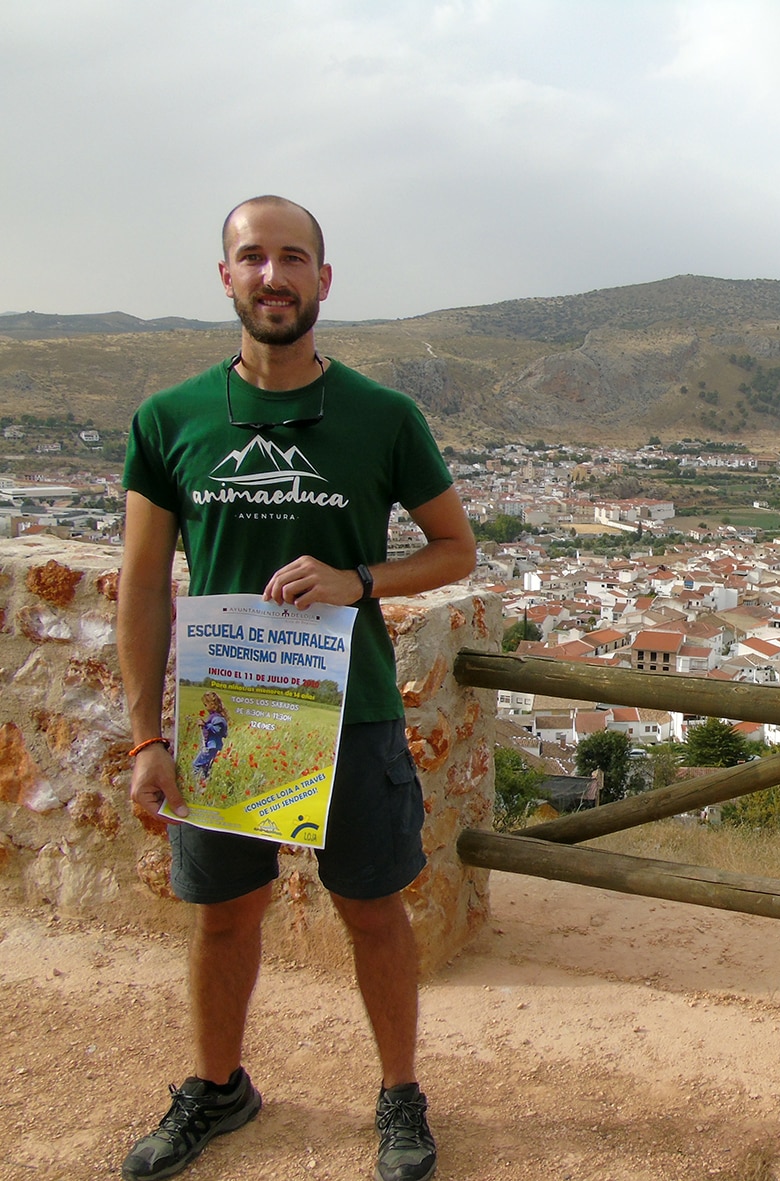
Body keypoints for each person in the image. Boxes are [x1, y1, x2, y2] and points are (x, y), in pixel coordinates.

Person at [118, 195, 476, 1181]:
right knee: (225, 911)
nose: (272, 275)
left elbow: (456, 550)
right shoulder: (170, 418)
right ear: (225, 276)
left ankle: (400, 1093)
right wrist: (144, 735)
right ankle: (218, 1083)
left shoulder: (382, 416)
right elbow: (144, 587)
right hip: (223, 716)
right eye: (252, 257)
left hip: (350, 709)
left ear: (324, 279)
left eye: (292, 258)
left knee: (372, 909)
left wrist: (360, 578)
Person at [191, 692, 229, 785]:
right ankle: (204, 786)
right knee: (205, 767)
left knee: (196, 765)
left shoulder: (217, 718)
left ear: (212, 705)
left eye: (206, 705)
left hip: (211, 746)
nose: (205, 707)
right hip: (211, 746)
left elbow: (217, 730)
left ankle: (198, 787)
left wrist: (205, 725)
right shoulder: (215, 717)